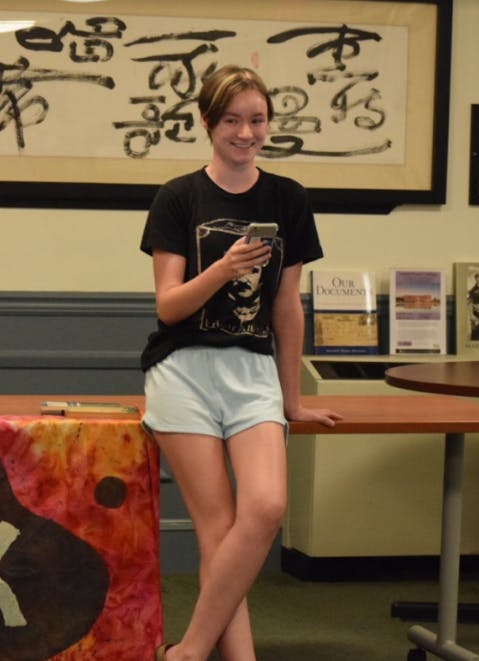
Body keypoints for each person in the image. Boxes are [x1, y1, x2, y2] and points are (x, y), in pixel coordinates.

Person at [139, 65, 341, 661]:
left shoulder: (288, 198)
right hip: (182, 370)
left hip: (253, 372)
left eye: (257, 120)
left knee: (266, 507)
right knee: (219, 530)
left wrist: (293, 400)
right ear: (207, 122)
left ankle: (187, 652)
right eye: (231, 120)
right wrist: (223, 269)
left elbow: (287, 307)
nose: (246, 133)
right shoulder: (178, 197)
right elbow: (169, 306)